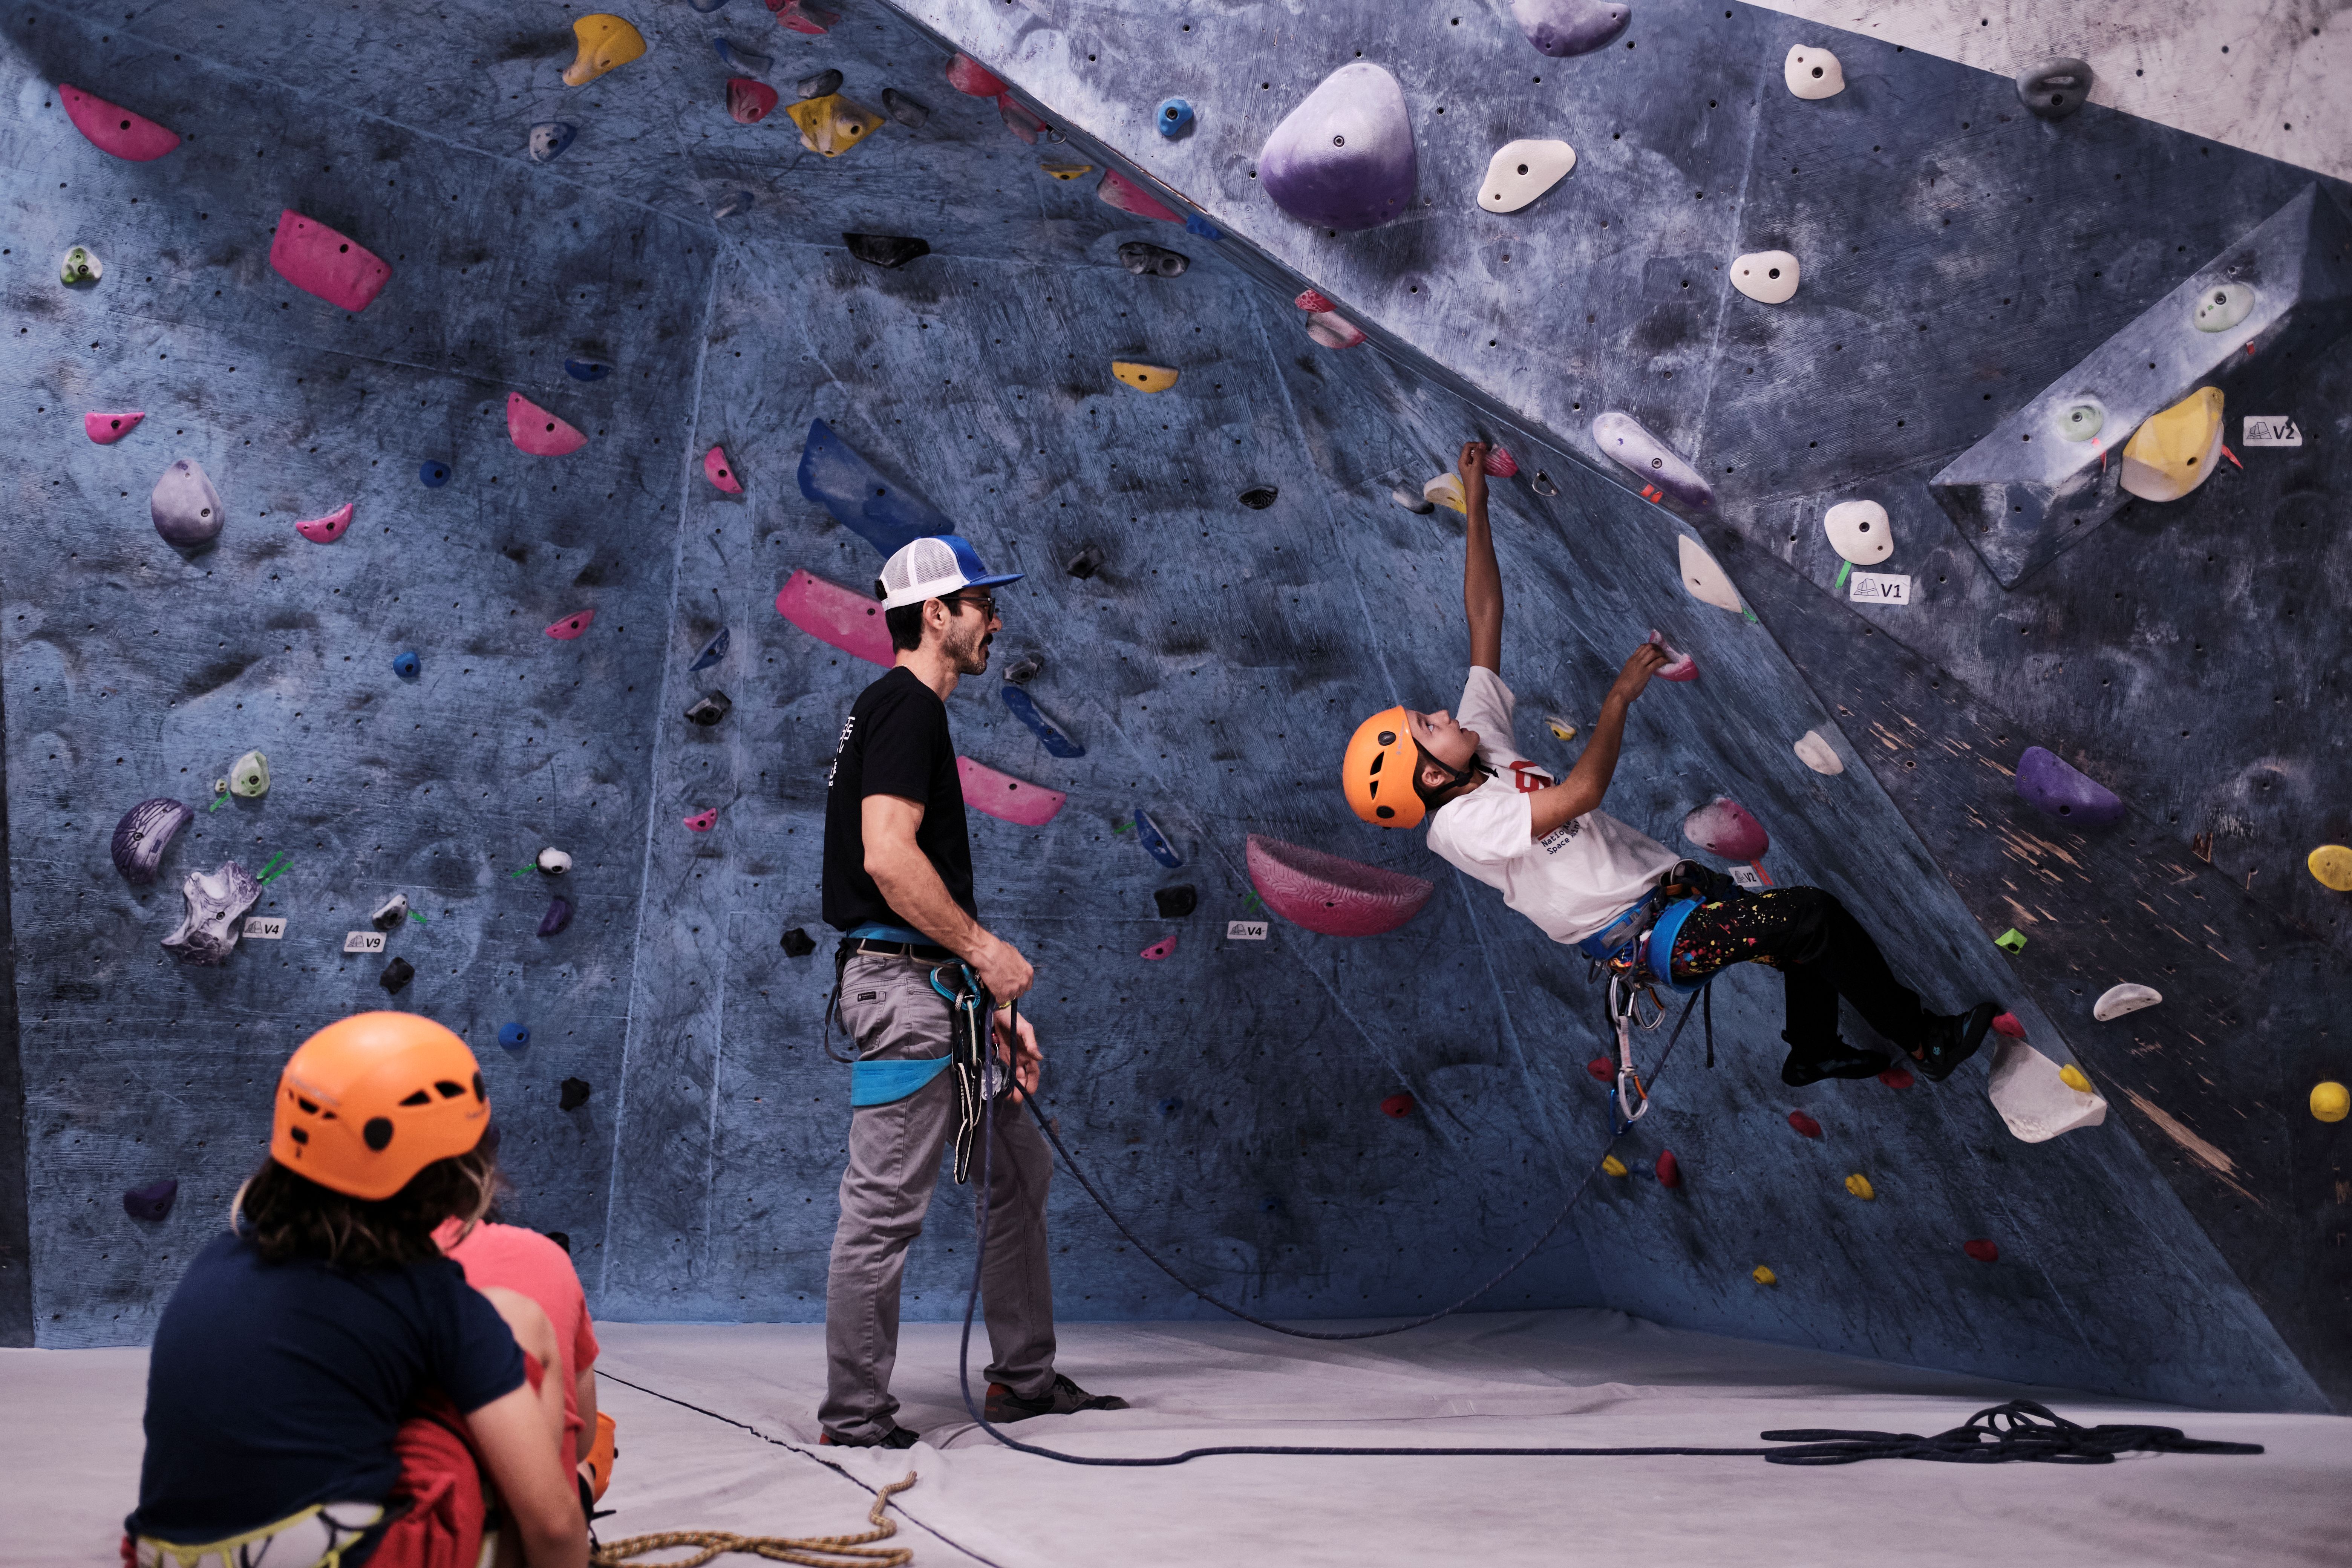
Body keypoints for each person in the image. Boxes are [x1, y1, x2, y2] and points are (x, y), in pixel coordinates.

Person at [1340, 443, 1998, 1088]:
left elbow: (1484, 618)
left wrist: (1477, 500)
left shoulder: (1477, 748)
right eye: (1428, 726)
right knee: (1811, 917)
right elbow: (1581, 794)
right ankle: (1925, 1042)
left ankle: (1813, 1050)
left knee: (1796, 937)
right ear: (1432, 777)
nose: (1442, 713)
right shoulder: (1462, 828)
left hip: (1676, 892)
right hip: (1657, 938)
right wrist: (1620, 698)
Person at [817, 533, 1126, 1449]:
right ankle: (854, 1417)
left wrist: (987, 1006)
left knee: (1018, 1171)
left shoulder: (905, 711)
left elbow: (906, 876)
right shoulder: (906, 706)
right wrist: (988, 954)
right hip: (905, 991)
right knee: (883, 1209)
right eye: (982, 604)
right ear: (935, 614)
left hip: (937, 990)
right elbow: (887, 858)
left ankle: (1022, 1380)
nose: (996, 619)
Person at [126, 1012, 586, 1568]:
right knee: (514, 1331)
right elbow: (556, 1526)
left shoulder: (219, 1257)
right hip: (327, 1557)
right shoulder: (430, 1297)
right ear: (463, 1171)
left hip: (162, 1554)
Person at [435, 1189, 608, 1512]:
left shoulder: (347, 1271)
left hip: (358, 1513)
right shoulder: (541, 1262)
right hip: (503, 1520)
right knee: (581, 1466)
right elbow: (578, 1446)